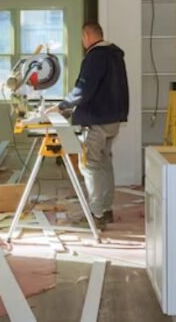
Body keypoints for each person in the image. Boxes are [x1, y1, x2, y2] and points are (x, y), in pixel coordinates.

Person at [51, 22, 129, 228]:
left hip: (97, 121)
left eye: (82, 38)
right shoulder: (115, 55)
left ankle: (96, 215)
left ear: (87, 35)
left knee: (90, 166)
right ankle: (106, 209)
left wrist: (62, 106)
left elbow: (83, 89)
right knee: (104, 163)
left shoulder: (95, 56)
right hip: (113, 119)